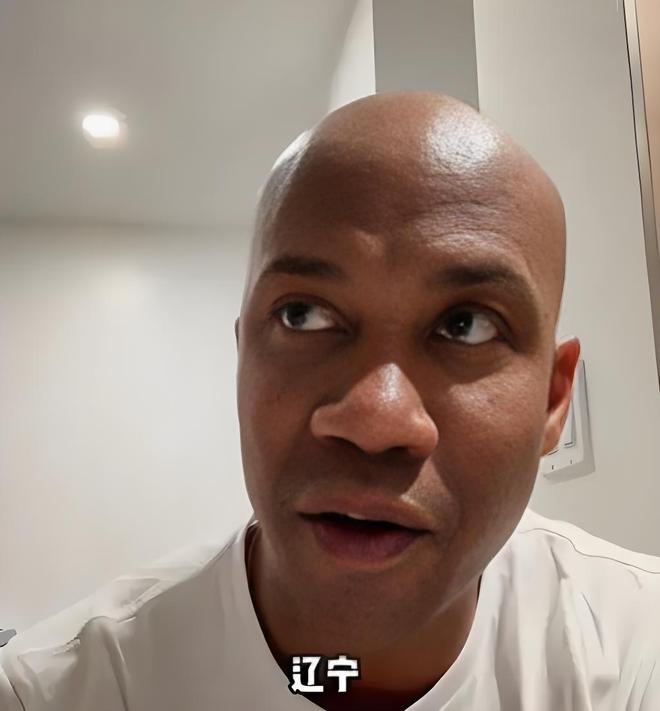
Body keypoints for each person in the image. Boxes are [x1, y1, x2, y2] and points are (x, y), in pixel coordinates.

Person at [1, 91, 659, 711]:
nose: (377, 420)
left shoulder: (636, 649)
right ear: (243, 359)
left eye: (467, 326)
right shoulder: (60, 691)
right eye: (304, 315)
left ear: (553, 399)